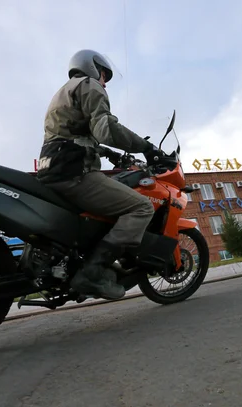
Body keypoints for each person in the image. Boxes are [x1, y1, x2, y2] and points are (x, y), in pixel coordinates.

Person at [36, 49, 161, 300]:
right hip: (74, 173)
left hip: (52, 168)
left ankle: (89, 262)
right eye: (105, 76)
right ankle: (92, 272)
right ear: (94, 69)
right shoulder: (90, 85)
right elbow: (106, 128)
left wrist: (105, 152)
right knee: (142, 208)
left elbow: (73, 134)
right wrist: (147, 148)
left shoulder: (62, 92)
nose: (105, 83)